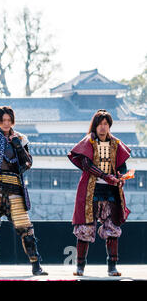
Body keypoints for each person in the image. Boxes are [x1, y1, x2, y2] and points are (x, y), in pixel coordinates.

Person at [0, 102, 48, 279]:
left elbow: (27, 163)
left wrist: (18, 146)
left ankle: (36, 265)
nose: (6, 123)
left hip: (14, 187)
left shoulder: (21, 138)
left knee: (26, 228)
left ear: (12, 121)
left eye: (9, 120)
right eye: (3, 120)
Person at [68, 109, 131, 276]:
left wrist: (120, 176)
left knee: (112, 226)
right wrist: (105, 176)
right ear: (95, 126)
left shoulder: (116, 144)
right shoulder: (87, 142)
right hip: (91, 189)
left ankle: (112, 267)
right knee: (85, 227)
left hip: (111, 191)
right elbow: (86, 164)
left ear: (109, 126)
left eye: (106, 124)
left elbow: (121, 164)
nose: (103, 127)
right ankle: (80, 267)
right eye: (100, 124)